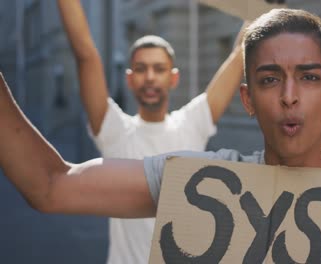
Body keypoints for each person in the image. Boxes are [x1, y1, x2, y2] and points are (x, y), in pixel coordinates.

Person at [0, 7, 321, 259]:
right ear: (247, 98)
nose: (289, 96)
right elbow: (49, 184)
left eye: (309, 77)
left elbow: (236, 57)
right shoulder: (204, 180)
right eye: (269, 79)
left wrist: (259, 11)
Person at [56, 1, 244, 263]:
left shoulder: (192, 123)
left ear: (173, 78)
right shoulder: (116, 131)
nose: (151, 77)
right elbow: (85, 54)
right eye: (142, 69)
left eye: (159, 69)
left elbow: (239, 55)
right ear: (130, 79)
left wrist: (260, 9)